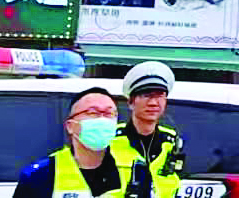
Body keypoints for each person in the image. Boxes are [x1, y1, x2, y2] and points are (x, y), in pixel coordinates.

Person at [14, 88, 124, 198]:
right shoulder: (39, 176)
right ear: (70, 126)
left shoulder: (133, 169)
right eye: (92, 112)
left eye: (109, 113)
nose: (102, 119)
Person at [111, 62, 186, 198]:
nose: (153, 103)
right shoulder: (110, 139)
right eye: (146, 95)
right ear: (130, 102)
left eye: (159, 95)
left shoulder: (170, 141)